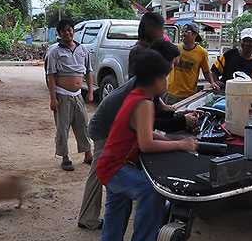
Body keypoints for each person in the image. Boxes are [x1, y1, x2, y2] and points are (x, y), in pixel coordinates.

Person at [95, 49, 197, 241]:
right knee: (151, 189)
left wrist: (170, 138)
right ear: (154, 79)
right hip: (116, 167)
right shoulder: (143, 103)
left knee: (114, 224)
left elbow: (148, 134)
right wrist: (180, 144)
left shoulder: (139, 97)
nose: (166, 83)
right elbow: (146, 145)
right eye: (165, 78)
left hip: (113, 164)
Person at [77, 40, 198, 230]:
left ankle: (113, 221)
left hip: (115, 131)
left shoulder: (147, 87)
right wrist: (180, 134)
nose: (172, 70)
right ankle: (88, 218)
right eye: (170, 68)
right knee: (101, 174)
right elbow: (149, 130)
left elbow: (161, 111)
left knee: (110, 182)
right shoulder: (141, 94)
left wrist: (178, 115)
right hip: (104, 129)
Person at [46, 19, 93, 171]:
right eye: (64, 31)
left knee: (83, 125)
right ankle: (65, 157)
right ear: (59, 34)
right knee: (63, 128)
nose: (68, 33)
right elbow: (51, 76)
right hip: (62, 96)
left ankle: (88, 155)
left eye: (70, 30)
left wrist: (91, 91)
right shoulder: (55, 52)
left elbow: (88, 72)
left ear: (74, 31)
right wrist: (53, 99)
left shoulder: (83, 50)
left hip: (78, 96)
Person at [165, 22, 218, 104]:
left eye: (187, 32)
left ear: (195, 34)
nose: (183, 34)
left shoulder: (202, 52)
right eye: (183, 32)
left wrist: (212, 83)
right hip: (171, 94)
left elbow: (206, 72)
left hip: (188, 96)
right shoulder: (176, 49)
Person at [128, 11, 166, 79]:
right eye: (162, 28)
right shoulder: (139, 51)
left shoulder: (156, 47)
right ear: (153, 29)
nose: (163, 32)